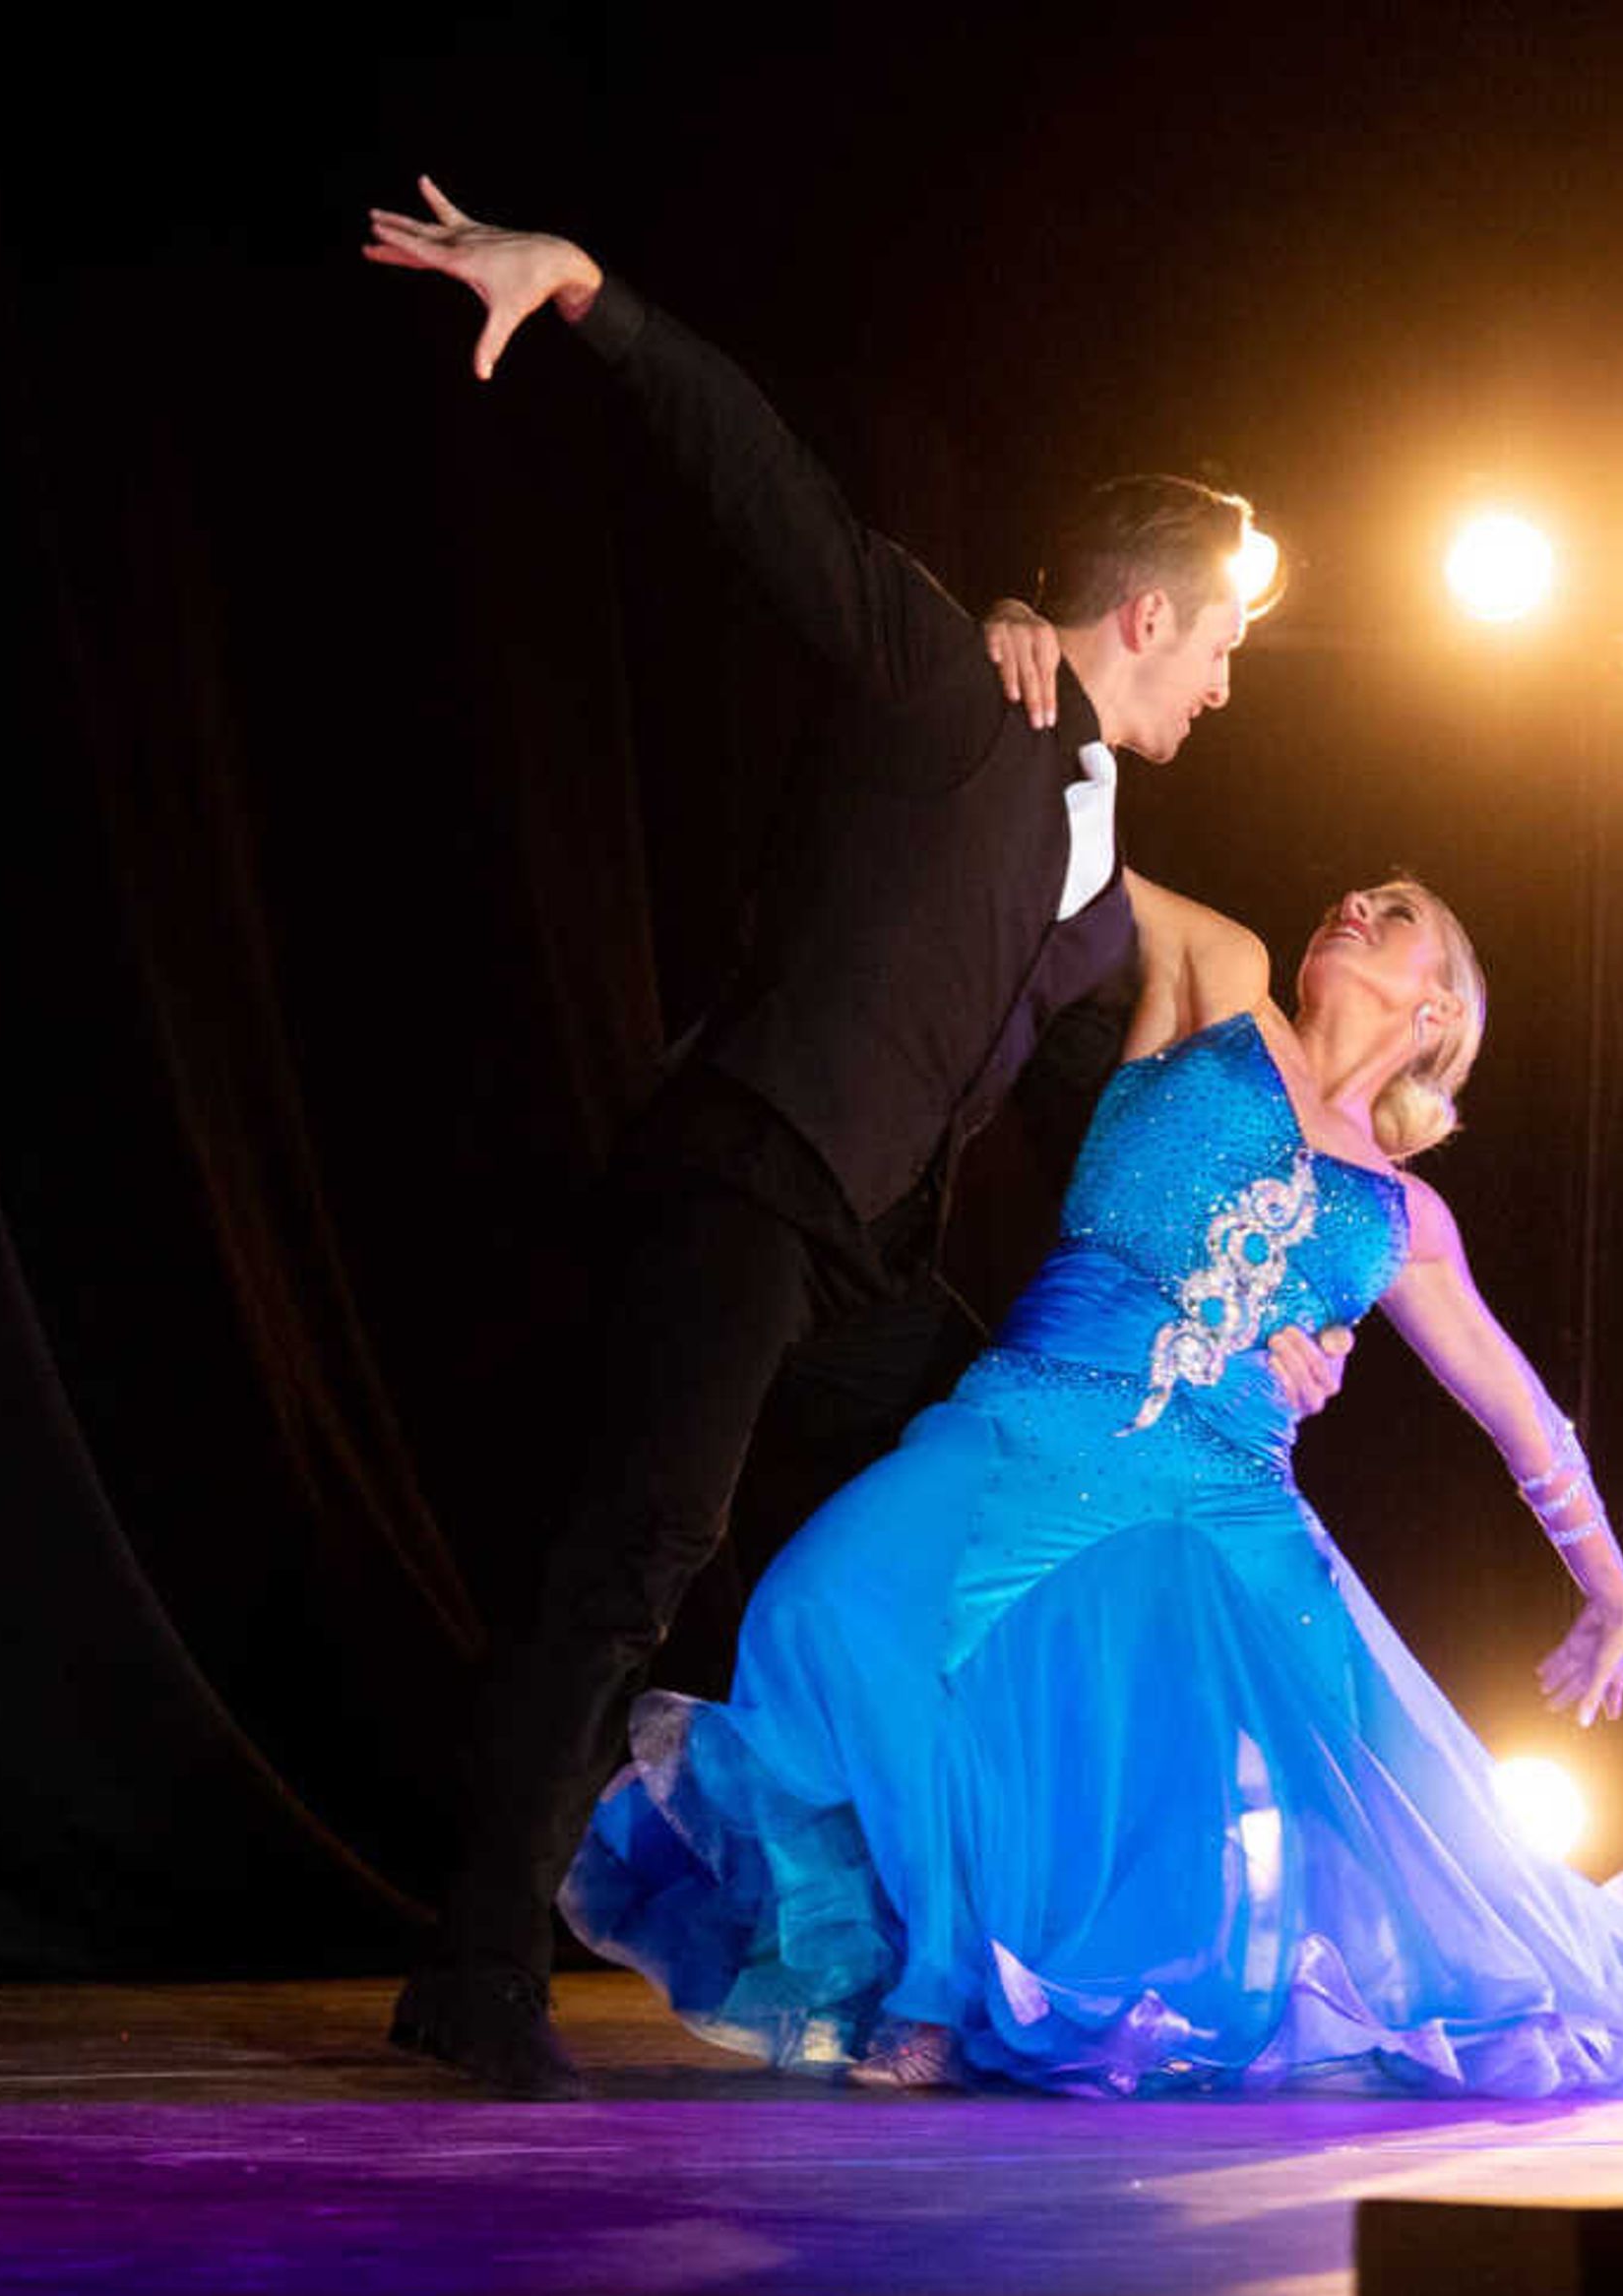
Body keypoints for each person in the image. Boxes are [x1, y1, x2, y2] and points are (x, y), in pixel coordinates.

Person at [363, 179, 1345, 2097]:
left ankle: (961, 1941)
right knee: (636, 1548)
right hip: (744, 1177)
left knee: (1009, 1471)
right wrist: (587, 297)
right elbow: (771, 499)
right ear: (1140, 615)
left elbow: (1111, 1089)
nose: (1227, 682)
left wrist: (1287, 1280)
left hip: (856, 1250)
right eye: (1220, 640)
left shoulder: (1092, 855)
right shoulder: (945, 681)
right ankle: (474, 1963)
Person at [561, 869, 1623, 2095]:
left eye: (1395, 914)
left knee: (1370, 1775)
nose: (1351, 902)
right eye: (1354, 894)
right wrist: (1036, 680)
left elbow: (1519, 1408)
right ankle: (944, 1955)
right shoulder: (1218, 980)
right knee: (829, 1609)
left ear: (1438, 1011)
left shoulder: (1407, 1216)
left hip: (1227, 1487)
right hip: (1032, 1415)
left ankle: (941, 2000)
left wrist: (1611, 1587)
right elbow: (1067, 843)